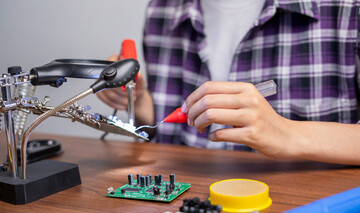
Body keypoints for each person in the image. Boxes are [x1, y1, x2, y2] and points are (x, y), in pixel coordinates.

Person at [97, 0, 360, 165]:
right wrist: (139, 100)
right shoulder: (162, 8)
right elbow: (169, 126)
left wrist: (288, 133)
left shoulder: (347, 8)